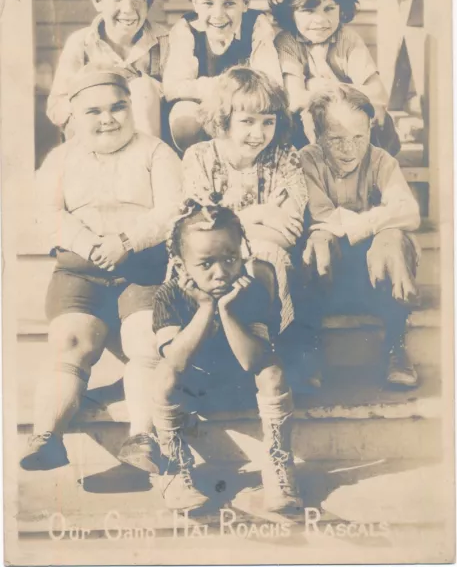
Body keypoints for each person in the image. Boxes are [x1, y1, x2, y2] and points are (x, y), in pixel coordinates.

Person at [20, 66, 182, 473]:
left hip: (142, 267)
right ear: (73, 116)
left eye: (118, 107)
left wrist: (125, 241)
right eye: (94, 111)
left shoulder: (156, 152)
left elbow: (171, 210)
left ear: (132, 108)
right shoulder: (61, 158)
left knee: (142, 340)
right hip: (81, 268)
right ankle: (47, 436)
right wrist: (87, 242)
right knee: (70, 341)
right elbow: (45, 211)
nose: (108, 118)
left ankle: (142, 437)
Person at [151, 200, 303, 512]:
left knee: (272, 372)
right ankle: (175, 469)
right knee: (163, 374)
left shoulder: (252, 290)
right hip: (195, 393)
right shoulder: (168, 295)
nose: (221, 273)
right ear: (181, 267)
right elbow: (177, 362)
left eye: (230, 259)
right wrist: (206, 308)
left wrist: (226, 310)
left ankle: (277, 464)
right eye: (206, 264)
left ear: (243, 255)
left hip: (242, 387)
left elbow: (252, 362)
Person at [299, 84, 420, 388]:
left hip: (375, 271)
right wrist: (376, 220)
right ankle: (310, 347)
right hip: (331, 273)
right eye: (336, 139)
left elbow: (409, 210)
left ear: (370, 130)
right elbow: (322, 215)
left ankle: (396, 345)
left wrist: (371, 228)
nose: (349, 150)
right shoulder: (307, 160)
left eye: (358, 138)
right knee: (318, 242)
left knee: (393, 240)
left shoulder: (380, 160)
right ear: (316, 136)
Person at [181, 66, 309, 336]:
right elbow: (199, 232)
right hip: (208, 266)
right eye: (247, 121)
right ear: (223, 120)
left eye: (268, 122)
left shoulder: (285, 158)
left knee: (266, 255)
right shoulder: (199, 157)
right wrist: (259, 213)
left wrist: (226, 223)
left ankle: (261, 341)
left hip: (267, 270)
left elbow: (288, 232)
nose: (259, 133)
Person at [272, 0, 401, 156]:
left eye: (329, 9)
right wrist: (342, 91)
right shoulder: (287, 42)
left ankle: (373, 168)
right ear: (291, 13)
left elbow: (378, 93)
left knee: (379, 115)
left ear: (341, 8)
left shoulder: (346, 38)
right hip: (310, 134)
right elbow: (295, 98)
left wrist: (320, 87)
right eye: (308, 11)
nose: (321, 20)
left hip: (350, 126)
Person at [162, 0, 283, 154]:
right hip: (204, 109)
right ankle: (199, 170)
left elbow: (271, 82)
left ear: (245, 2)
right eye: (208, 3)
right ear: (194, 3)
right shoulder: (186, 29)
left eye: (229, 3)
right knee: (183, 115)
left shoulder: (257, 25)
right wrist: (228, 88)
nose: (218, 15)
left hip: (247, 111)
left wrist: (227, 96)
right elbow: (174, 87)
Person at [47, 0, 168, 139]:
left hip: (149, 141)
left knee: (143, 89)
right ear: (97, 0)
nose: (128, 9)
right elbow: (56, 106)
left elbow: (177, 96)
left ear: (149, 2)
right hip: (99, 142)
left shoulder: (165, 42)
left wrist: (144, 87)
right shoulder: (81, 44)